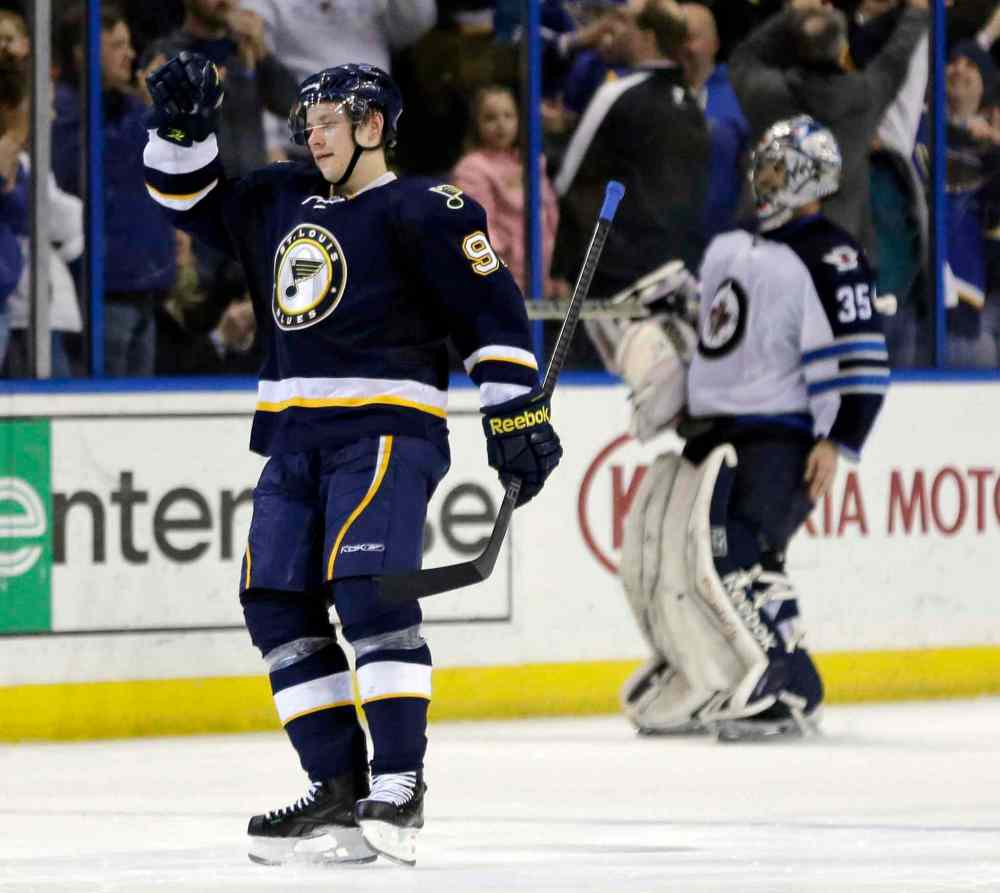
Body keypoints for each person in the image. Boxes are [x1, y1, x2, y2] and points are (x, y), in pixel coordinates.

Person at [142, 56, 562, 865]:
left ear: (374, 125)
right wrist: (183, 130)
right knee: (274, 604)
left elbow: (492, 315)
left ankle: (400, 782)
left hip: (385, 427)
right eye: (310, 121)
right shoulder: (275, 198)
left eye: (332, 119)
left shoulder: (427, 207)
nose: (315, 133)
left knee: (367, 593)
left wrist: (517, 413)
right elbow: (184, 198)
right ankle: (337, 786)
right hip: (291, 435)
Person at [614, 117, 888, 741]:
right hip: (710, 430)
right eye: (760, 166)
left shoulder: (830, 254)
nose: (762, 178)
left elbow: (864, 359)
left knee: (742, 554)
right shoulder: (731, 244)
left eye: (775, 168)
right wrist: (677, 305)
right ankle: (702, 671)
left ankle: (792, 683)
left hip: (778, 435)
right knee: (679, 561)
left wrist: (837, 438)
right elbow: (721, 332)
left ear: (807, 177)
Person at [729, 0, 929, 266]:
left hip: (766, 248)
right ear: (841, 49)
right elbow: (896, 58)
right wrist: (917, 13)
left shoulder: (766, 95)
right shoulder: (863, 99)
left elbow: (745, 57)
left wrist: (792, 15)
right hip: (837, 256)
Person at [554, 0, 709, 299]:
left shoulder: (617, 93)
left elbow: (564, 180)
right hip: (678, 272)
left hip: (616, 277)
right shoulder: (693, 103)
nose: (614, 28)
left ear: (648, 38)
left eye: (625, 22)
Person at [52, 3, 176, 377]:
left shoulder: (132, 108)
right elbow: (88, 171)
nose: (131, 55)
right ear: (83, 52)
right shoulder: (62, 110)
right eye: (118, 45)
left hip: (145, 285)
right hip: (101, 291)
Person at [451, 84, 563, 299]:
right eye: (490, 118)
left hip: (538, 277)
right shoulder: (471, 168)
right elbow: (480, 231)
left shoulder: (531, 161)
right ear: (477, 124)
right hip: (502, 284)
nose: (501, 124)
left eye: (508, 115)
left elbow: (550, 217)